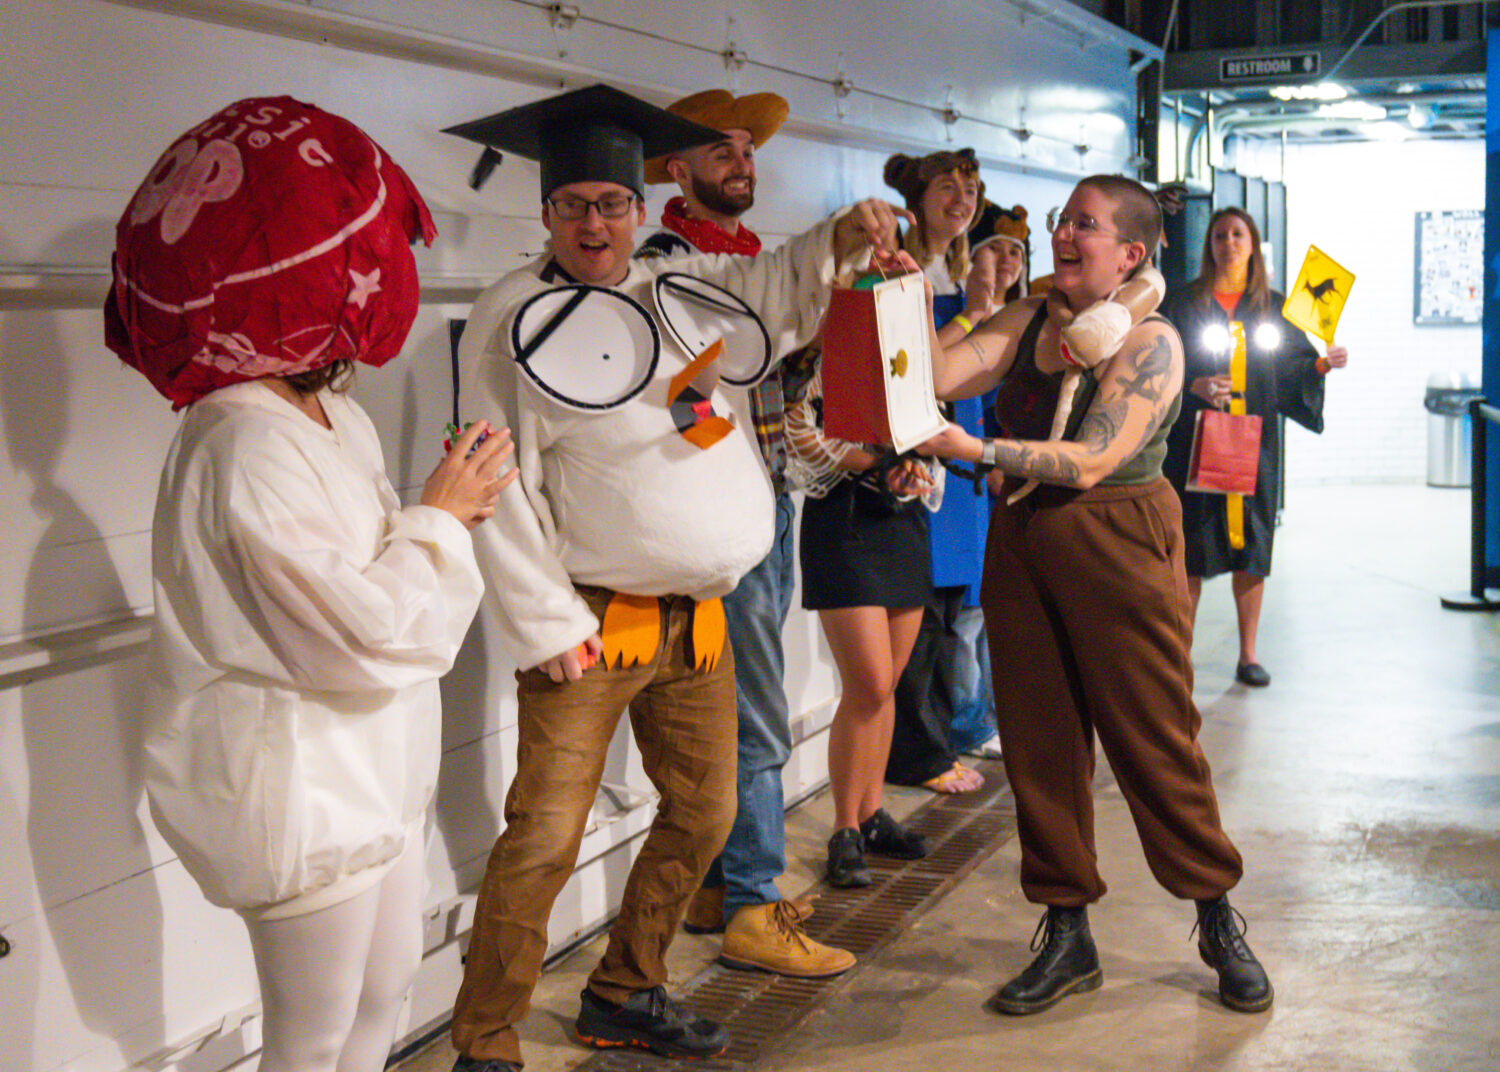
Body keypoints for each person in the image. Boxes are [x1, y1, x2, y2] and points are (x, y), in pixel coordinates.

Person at [441, 84, 907, 1071]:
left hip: (699, 619)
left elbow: (774, 290)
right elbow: (492, 480)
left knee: (707, 811)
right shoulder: (508, 317)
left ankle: (626, 988)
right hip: (590, 625)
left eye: (612, 205)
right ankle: (484, 1039)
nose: (594, 225)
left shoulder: (677, 285)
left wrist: (843, 235)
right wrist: (543, 621)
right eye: (574, 206)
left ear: (640, 208)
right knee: (544, 837)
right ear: (547, 213)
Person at [107, 97, 510, 1072]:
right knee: (312, 1032)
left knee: (382, 993)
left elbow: (379, 597)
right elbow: (360, 631)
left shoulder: (330, 413)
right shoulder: (241, 440)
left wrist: (438, 519)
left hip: (372, 771)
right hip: (302, 790)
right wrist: (440, 518)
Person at [916, 174, 1274, 1017]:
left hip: (1119, 537)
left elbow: (1091, 460)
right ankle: (1068, 933)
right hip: (1023, 538)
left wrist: (976, 448)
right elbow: (934, 371)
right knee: (1038, 743)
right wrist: (952, 286)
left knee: (1155, 737)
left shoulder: (1151, 342)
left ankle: (1216, 915)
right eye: (1061, 220)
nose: (1064, 235)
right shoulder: (1028, 320)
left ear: (1131, 253)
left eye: (1085, 224)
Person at [633, 88, 856, 979]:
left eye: (748, 150)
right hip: (718, 513)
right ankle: (755, 903)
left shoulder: (755, 263)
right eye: (721, 150)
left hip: (765, 498)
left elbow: (771, 394)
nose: (742, 163)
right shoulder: (666, 268)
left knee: (735, 700)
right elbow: (679, 398)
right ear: (677, 170)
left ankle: (720, 883)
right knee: (756, 710)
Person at [1161, 207, 1349, 687]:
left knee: (1253, 545)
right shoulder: (1183, 304)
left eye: (1237, 235)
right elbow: (1157, 363)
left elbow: (1293, 368)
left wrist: (1321, 366)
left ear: (1253, 244)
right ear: (1210, 245)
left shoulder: (1274, 308)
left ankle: (1248, 654)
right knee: (1192, 548)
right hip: (1195, 440)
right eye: (1220, 235)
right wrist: (1193, 385)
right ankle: (1180, 659)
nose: (1228, 243)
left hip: (1254, 441)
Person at [881, 149, 992, 796]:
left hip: (959, 452)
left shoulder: (957, 268)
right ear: (917, 199)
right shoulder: (899, 267)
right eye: (947, 187)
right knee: (918, 617)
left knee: (950, 610)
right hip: (915, 453)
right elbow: (910, 363)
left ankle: (943, 736)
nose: (962, 200)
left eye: (970, 189)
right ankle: (917, 754)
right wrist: (975, 314)